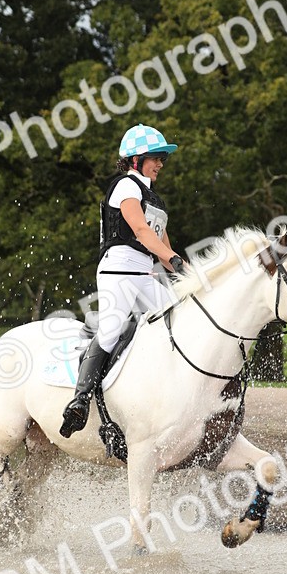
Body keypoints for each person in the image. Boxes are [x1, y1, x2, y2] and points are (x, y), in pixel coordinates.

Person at [60, 124, 185, 438]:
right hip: (118, 271)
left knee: (177, 319)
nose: (160, 164)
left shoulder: (152, 197)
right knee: (111, 330)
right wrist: (171, 260)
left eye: (161, 159)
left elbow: (161, 242)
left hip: (144, 273)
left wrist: (182, 270)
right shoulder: (125, 187)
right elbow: (142, 233)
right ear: (135, 160)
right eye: (155, 158)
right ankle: (80, 399)